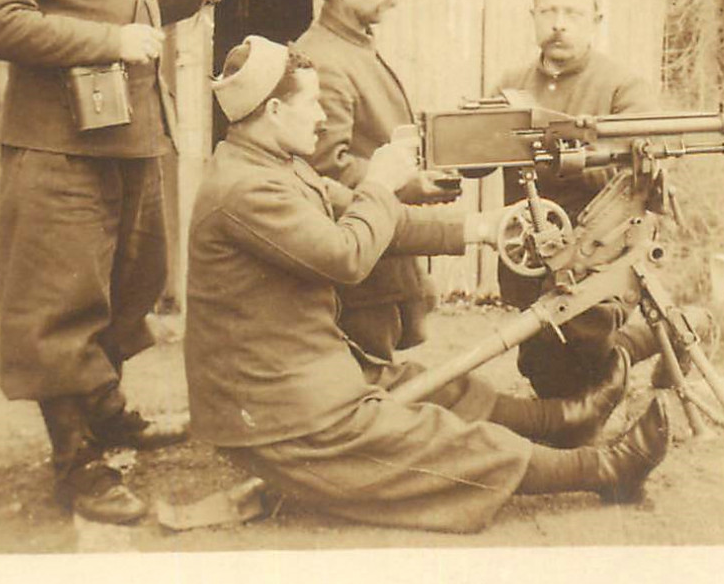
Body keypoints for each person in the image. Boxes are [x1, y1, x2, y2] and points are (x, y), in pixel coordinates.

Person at [181, 36, 670, 533]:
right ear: (277, 110)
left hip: (298, 376)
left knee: (435, 389)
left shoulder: (275, 166)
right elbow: (346, 254)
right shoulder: (246, 189)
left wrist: (482, 228)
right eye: (313, 104)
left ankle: (562, 422)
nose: (321, 118)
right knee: (438, 442)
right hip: (278, 413)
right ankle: (609, 470)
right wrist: (378, 182)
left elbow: (372, 221)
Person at [0, 0, 216, 525]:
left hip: (126, 139)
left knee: (125, 287)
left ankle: (108, 415)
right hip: (60, 149)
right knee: (61, 304)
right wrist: (113, 40)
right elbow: (0, 24)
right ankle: (77, 465)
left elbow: (129, 12)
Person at [492, 0, 711, 401]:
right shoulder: (510, 84)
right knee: (539, 364)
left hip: (601, 248)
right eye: (549, 12)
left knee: (580, 365)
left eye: (572, 14)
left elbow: (636, 172)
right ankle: (669, 331)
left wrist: (565, 153)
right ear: (533, 17)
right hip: (534, 247)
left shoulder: (622, 88)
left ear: (595, 21)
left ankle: (687, 326)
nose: (559, 24)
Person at [291, 0, 460, 360]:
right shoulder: (323, 60)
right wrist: (411, 185)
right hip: (360, 269)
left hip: (382, 254)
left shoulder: (356, 47)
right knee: (370, 383)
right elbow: (325, 169)